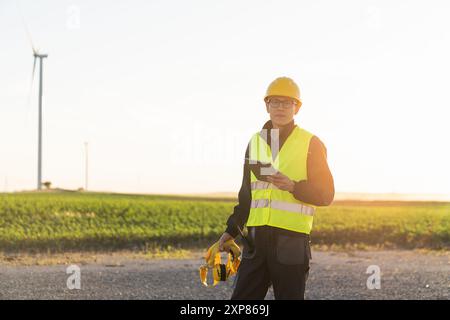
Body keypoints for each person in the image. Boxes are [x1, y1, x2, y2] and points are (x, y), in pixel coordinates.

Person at [218, 76, 335, 300]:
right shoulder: (256, 141)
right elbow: (247, 195)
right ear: (267, 105)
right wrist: (231, 230)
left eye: (287, 102)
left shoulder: (311, 144)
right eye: (275, 101)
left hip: (291, 242)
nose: (280, 107)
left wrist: (294, 186)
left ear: (297, 108)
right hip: (255, 242)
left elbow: (326, 194)